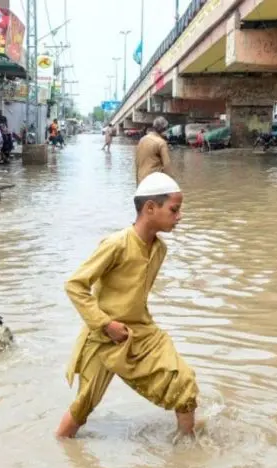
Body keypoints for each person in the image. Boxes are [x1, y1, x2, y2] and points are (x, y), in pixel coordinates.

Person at [56, 172, 200, 440]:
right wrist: (105, 324)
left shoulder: (159, 249)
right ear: (150, 208)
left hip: (141, 331)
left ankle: (187, 449)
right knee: (83, 407)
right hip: (104, 336)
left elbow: (136, 297)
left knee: (184, 382)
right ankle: (61, 449)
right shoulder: (117, 244)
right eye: (174, 209)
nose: (179, 216)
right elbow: (75, 285)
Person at [135, 116, 175, 185]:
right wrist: (172, 183)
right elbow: (167, 167)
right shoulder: (161, 143)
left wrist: (138, 184)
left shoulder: (142, 140)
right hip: (154, 183)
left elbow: (137, 163)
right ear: (164, 129)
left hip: (141, 182)